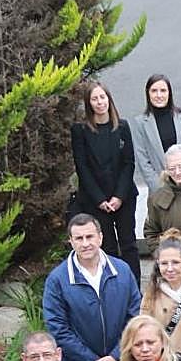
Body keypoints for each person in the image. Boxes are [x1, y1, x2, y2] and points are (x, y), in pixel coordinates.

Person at [44, 214, 142, 361]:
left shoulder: (122, 271)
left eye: (89, 236)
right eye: (79, 238)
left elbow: (135, 317)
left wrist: (115, 356)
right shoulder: (57, 279)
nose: (85, 243)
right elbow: (58, 328)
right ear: (71, 242)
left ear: (100, 238)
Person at [70, 81, 138, 273]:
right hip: (95, 200)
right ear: (88, 103)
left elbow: (129, 163)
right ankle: (111, 284)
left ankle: (133, 285)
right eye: (95, 99)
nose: (100, 102)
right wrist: (100, 200)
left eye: (102, 97)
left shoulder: (122, 126)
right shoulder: (80, 131)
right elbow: (82, 167)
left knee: (128, 244)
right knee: (107, 247)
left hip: (123, 196)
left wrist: (119, 196)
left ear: (109, 99)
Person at [132, 73, 181, 193]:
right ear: (148, 93)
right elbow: (143, 162)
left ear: (169, 93)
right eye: (154, 91)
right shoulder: (140, 123)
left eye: (163, 90)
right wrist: (160, 188)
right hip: (160, 192)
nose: (159, 95)